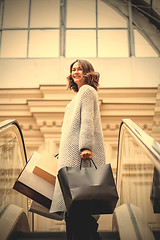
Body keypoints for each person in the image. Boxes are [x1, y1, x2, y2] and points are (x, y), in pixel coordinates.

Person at [50, 59, 106, 239]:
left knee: (79, 210)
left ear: (87, 72)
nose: (75, 72)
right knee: (73, 211)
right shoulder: (78, 95)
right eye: (73, 69)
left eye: (80, 69)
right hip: (71, 155)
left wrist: (85, 146)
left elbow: (87, 121)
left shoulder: (88, 91)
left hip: (80, 156)